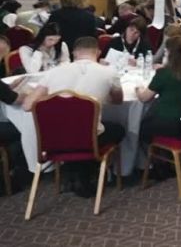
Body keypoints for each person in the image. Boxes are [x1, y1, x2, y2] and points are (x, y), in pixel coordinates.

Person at [21, 37, 124, 197]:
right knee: (118, 129)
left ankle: (74, 170)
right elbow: (118, 101)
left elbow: (27, 105)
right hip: (89, 139)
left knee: (77, 132)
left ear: (74, 53)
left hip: (53, 140)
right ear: (98, 52)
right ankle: (89, 171)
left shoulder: (53, 73)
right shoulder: (109, 73)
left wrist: (50, 99)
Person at [136, 35, 181, 142]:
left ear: (169, 53)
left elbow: (144, 98)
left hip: (169, 123)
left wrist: (138, 89)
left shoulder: (165, 73)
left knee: (138, 127)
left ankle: (151, 151)